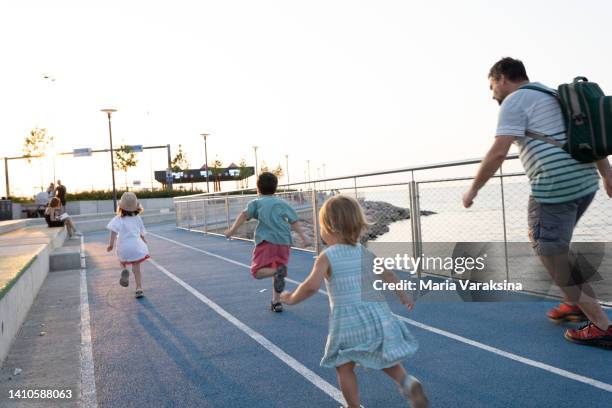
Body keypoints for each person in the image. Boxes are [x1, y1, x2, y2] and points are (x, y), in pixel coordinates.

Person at [462, 57, 612, 347]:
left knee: (552, 253)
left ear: (503, 78)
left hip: (555, 186)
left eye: (492, 86)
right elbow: (587, 135)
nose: (492, 93)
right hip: (584, 184)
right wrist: (606, 174)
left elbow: (497, 152)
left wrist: (473, 190)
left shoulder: (514, 102)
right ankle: (573, 303)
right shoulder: (553, 95)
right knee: (551, 244)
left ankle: (603, 325)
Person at [280, 195, 427, 408]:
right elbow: (390, 276)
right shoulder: (366, 253)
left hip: (348, 321)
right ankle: (407, 382)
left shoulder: (327, 256)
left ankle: (353, 406)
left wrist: (291, 298)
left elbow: (312, 286)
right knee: (384, 356)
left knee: (344, 364)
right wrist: (403, 296)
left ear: (328, 228)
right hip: (376, 316)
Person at [224, 172, 309, 312]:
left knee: (257, 272)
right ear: (275, 188)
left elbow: (244, 215)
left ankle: (276, 273)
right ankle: (276, 302)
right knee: (278, 272)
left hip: (266, 241)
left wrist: (232, 231)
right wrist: (304, 237)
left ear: (258, 188)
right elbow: (294, 221)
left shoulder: (256, 203)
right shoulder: (282, 203)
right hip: (284, 242)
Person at [106, 192, 149, 298]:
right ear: (136, 206)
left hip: (123, 246)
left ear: (121, 207)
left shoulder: (118, 219)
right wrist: (144, 240)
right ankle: (139, 288)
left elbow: (113, 231)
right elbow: (141, 232)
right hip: (136, 246)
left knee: (122, 261)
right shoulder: (137, 218)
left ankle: (124, 270)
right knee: (136, 268)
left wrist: (111, 244)